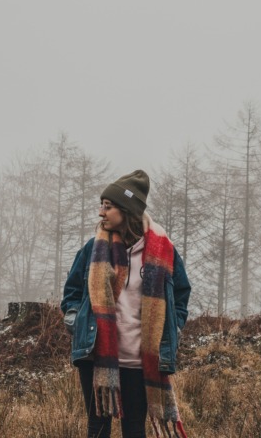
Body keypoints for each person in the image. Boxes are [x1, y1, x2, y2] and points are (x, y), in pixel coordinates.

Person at [61, 169, 191, 438]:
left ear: (127, 210)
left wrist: (172, 329)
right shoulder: (92, 249)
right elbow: (72, 293)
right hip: (97, 356)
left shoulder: (162, 252)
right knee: (98, 429)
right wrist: (76, 321)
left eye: (108, 206)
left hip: (140, 360)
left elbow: (181, 293)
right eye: (101, 205)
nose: (101, 212)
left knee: (134, 430)